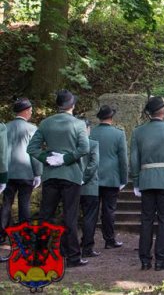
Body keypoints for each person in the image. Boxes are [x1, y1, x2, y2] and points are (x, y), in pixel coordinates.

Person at [27, 89, 90, 267]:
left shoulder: (46, 123)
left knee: (46, 216)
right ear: (72, 105)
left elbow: (32, 148)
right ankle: (73, 256)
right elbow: (84, 148)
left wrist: (47, 158)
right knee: (70, 216)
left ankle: (39, 256)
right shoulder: (78, 124)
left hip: (51, 175)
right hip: (71, 175)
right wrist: (66, 158)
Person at [130, 96, 164, 271]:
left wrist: (136, 181)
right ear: (163, 111)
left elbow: (134, 160)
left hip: (146, 180)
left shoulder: (138, 132)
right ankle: (161, 259)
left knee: (146, 220)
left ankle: (145, 260)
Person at [1, 98, 42, 245]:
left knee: (6, 203)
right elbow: (35, 153)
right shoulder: (32, 128)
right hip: (26, 172)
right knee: (24, 204)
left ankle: (1, 234)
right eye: (30, 110)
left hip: (7, 173)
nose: (31, 112)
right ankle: (26, 236)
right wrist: (38, 173)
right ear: (25, 111)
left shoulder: (5, 127)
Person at [89, 105, 128, 251]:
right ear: (112, 117)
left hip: (93, 177)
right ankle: (109, 240)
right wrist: (123, 179)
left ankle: (87, 241)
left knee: (91, 212)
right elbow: (123, 159)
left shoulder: (91, 132)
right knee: (109, 211)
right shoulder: (119, 134)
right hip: (111, 178)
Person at [78, 120, 100, 258]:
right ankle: (87, 247)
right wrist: (84, 178)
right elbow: (94, 163)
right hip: (90, 186)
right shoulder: (93, 144)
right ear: (87, 129)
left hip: (73, 185)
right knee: (90, 218)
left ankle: (69, 247)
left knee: (71, 217)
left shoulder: (72, 144)